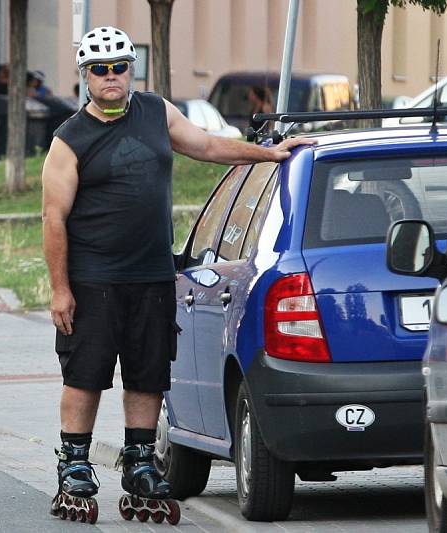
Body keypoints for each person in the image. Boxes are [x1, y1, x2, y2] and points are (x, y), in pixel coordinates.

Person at [41, 25, 315, 521]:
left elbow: (208, 147)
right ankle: (75, 464)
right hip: (92, 279)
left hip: (151, 276)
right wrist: (60, 289)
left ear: (131, 70)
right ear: (84, 75)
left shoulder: (156, 112)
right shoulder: (70, 139)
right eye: (99, 69)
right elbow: (53, 218)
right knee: (85, 373)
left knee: (148, 373)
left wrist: (270, 154)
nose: (110, 77)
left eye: (119, 67)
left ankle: (141, 459)